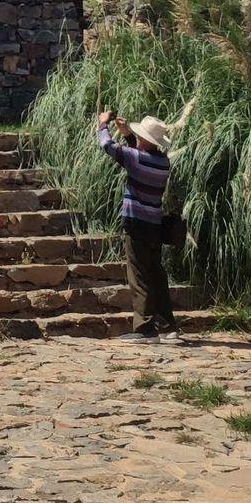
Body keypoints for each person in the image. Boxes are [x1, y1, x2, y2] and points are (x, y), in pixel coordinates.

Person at [97, 109, 181, 342]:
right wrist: (128, 134)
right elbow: (138, 153)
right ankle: (167, 326)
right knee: (155, 273)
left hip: (136, 224)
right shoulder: (162, 162)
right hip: (154, 224)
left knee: (139, 275)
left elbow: (108, 147)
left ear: (143, 139)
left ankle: (144, 327)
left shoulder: (136, 159)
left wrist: (103, 125)